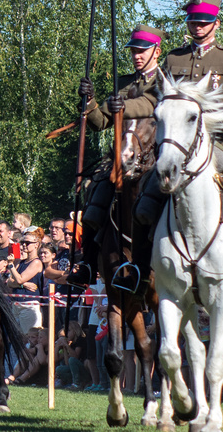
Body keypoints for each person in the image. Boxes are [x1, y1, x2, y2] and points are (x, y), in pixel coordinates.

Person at [116, 0, 223, 293]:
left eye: (203, 22)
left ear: (216, 24)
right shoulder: (174, 60)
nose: (198, 27)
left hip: (222, 144)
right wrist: (119, 107)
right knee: (143, 205)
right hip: (179, 147)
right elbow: (153, 99)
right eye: (193, 21)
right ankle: (138, 272)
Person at [71, 24, 166, 286]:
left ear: (156, 51)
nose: (136, 55)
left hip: (155, 159)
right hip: (121, 159)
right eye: (133, 51)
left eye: (142, 51)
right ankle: (88, 265)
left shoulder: (165, 82)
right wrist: (88, 102)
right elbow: (100, 122)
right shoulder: (123, 83)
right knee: (94, 191)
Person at [5, 228, 44, 331]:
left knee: (29, 336)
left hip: (28, 305)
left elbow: (19, 279)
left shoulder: (36, 262)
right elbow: (9, 282)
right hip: (16, 304)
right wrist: (23, 285)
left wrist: (10, 265)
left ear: (36, 244)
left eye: (27, 243)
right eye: (22, 242)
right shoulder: (21, 262)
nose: (23, 245)